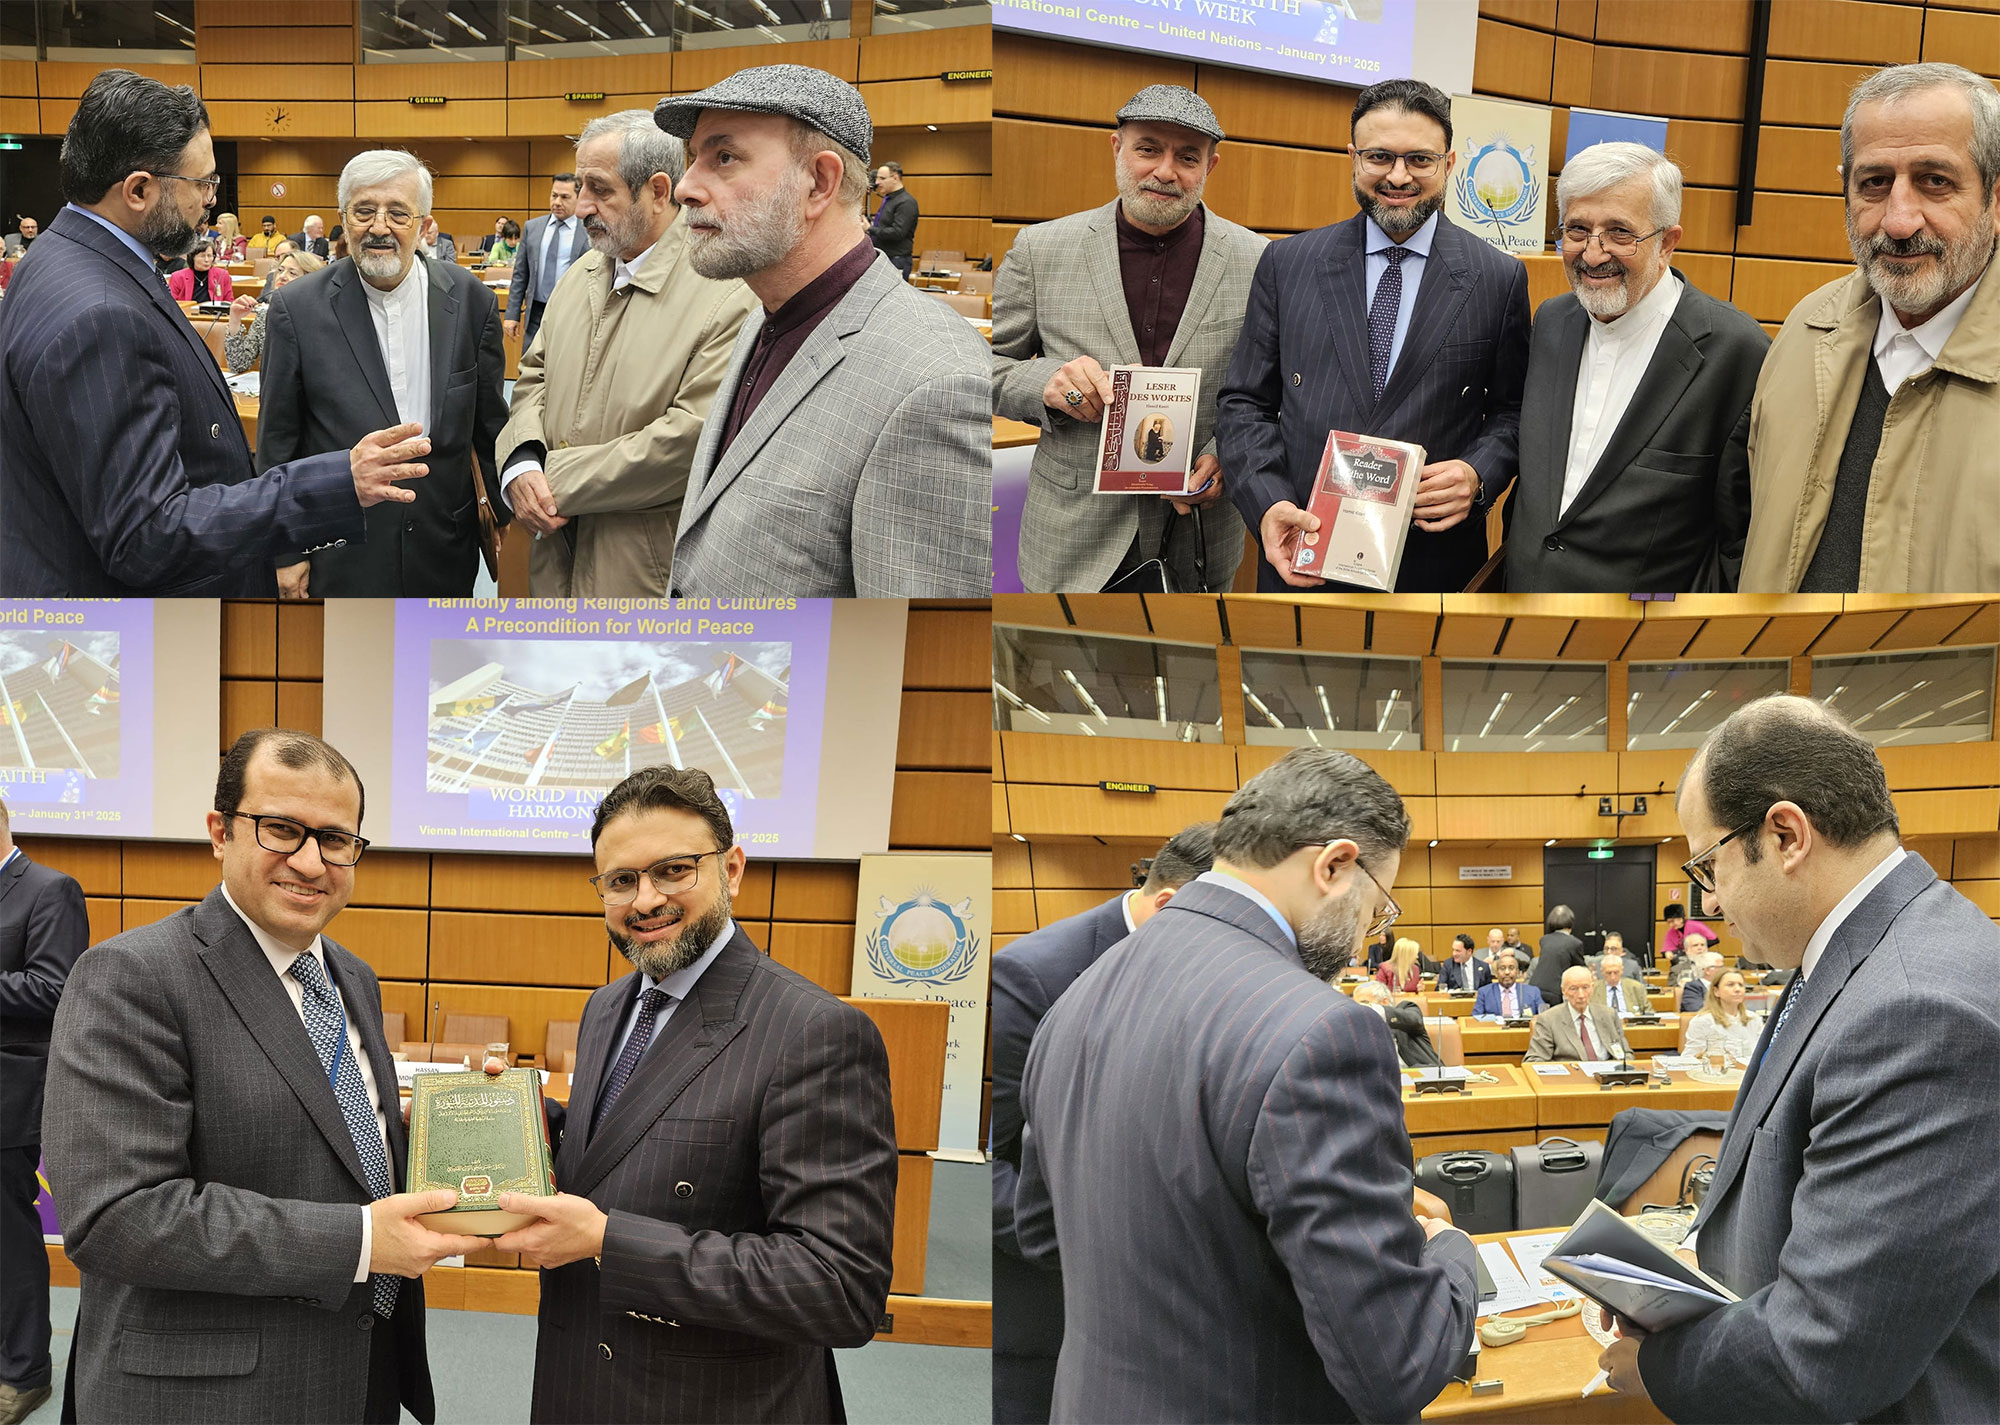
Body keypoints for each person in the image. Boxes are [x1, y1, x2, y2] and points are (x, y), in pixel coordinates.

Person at [1015, 747, 1477, 1422]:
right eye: (1376, 910)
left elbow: (1042, 1232)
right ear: (1335, 864)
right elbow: (1395, 1362)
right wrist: (1450, 1249)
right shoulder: (1322, 1032)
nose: (1363, 943)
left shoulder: (1077, 997)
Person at [42, 729, 484, 1422]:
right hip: (207, 1396)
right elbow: (119, 1216)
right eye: (281, 829)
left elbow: (332, 1137)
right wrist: (362, 1241)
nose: (311, 861)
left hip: (358, 1373)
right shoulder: (131, 976)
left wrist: (467, 1123)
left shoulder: (352, 976)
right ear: (220, 831)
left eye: (336, 839)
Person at [1600, 694, 2000, 1420]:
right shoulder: (1864, 953)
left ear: (1785, 834)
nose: (1710, 903)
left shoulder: (1917, 1009)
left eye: (1707, 866)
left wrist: (1658, 1360)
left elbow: (1828, 1348)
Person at [488, 765, 896, 1423]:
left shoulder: (813, 1031)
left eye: (675, 870)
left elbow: (839, 1287)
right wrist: (534, 1126)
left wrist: (608, 1241)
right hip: (578, 1388)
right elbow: (639, 1143)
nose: (645, 899)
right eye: (621, 880)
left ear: (731, 868)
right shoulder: (607, 1006)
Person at [0, 69, 434, 597]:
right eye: (202, 183)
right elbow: (148, 534)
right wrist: (336, 483)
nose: (211, 199)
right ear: (138, 190)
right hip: (128, 636)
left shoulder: (58, 255)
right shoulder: (101, 314)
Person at [656, 64, 990, 596]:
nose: (685, 187)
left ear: (819, 181)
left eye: (724, 157)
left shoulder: (933, 379)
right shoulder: (763, 315)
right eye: (692, 157)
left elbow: (910, 640)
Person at [1216, 77, 1529, 592]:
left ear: (1449, 165)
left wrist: (1477, 475)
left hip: (1431, 567)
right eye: (1380, 156)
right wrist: (1269, 502)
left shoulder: (1498, 278)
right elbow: (1243, 402)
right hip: (1301, 553)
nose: (1399, 177)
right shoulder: (1287, 264)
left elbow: (1513, 411)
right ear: (1353, 158)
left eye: (1420, 160)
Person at [1731, 63, 2000, 591]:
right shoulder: (1804, 333)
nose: (1899, 221)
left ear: (1995, 197)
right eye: (1875, 183)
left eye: (1935, 182)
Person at [992, 84, 1260, 593]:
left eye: (1187, 157)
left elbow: (1275, 390)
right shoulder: (1040, 249)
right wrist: (1047, 382)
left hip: (1200, 532)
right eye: (1148, 148)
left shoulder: (1259, 260)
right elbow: (985, 365)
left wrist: (1228, 455)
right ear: (1117, 149)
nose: (1165, 171)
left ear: (1211, 167)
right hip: (1073, 535)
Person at [992, 823, 1217, 1425]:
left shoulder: (1207, 969)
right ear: (1170, 907)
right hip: (1054, 1311)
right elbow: (989, 1166)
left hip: (1177, 1325)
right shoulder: (1034, 974)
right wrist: (1111, 1246)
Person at [496, 110, 758, 597]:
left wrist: (551, 480)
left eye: (600, 190)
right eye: (579, 188)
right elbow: (532, 376)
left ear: (658, 191)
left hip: (639, 570)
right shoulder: (583, 274)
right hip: (552, 557)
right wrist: (521, 462)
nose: (580, 207)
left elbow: (691, 437)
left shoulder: (727, 293)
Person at [1507, 143, 1769, 592]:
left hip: (1640, 642)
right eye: (1577, 230)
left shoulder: (1736, 351)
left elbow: (1742, 539)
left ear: (1668, 242)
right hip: (1519, 621)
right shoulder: (1551, 322)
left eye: (1619, 233)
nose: (1592, 254)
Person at [258, 149, 510, 598]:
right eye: (364, 211)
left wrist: (503, 515)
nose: (379, 227)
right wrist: (286, 550)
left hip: (444, 546)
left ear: (425, 223)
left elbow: (490, 426)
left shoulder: (473, 302)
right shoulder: (295, 308)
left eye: (398, 213)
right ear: (343, 219)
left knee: (440, 665)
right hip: (340, 548)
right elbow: (278, 441)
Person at [0, 803, 87, 1425]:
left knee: (6, 1238)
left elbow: (56, 989)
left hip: (8, 1095)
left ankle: (24, 1371)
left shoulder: (49, 889)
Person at [504, 173, 585, 349]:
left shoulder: (587, 231)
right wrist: (512, 314)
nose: (557, 202)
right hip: (536, 311)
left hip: (572, 312)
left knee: (565, 366)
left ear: (578, 198)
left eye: (565, 197)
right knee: (529, 367)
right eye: (554, 195)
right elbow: (520, 274)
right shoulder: (532, 228)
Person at [224, 248, 323, 373]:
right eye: (280, 270)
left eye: (292, 273)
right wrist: (235, 321)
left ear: (310, 281)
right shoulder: (265, 316)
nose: (282, 277)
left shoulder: (320, 319)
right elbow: (237, 364)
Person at [1524, 966, 1632, 1062]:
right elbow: (1534, 1060)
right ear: (1564, 991)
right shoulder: (1548, 1019)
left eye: (1585, 988)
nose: (1581, 995)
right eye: (1573, 989)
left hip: (1608, 1077)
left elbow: (1626, 1054)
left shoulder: (1608, 1014)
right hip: (1571, 1080)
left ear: (1592, 987)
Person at [1351, 981, 1443, 1068]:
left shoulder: (1407, 1008)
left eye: (1364, 1003)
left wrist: (1372, 1009)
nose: (1359, 1009)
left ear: (1384, 1002)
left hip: (1420, 1074)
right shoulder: (1358, 1028)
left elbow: (1414, 1020)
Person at [1682, 968, 1759, 1066]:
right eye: (1730, 985)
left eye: (1741, 985)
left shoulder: (1754, 1019)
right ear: (1716, 991)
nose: (1737, 989)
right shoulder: (1702, 1021)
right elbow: (1688, 1059)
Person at [1528, 902, 1587, 1001]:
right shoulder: (1575, 943)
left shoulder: (1544, 940)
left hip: (1534, 987)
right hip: (1555, 991)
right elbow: (1580, 969)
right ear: (1571, 923)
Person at [868, 159, 918, 276]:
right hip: (884, 257)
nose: (877, 182)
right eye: (877, 178)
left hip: (896, 260)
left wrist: (870, 229)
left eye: (882, 178)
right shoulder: (889, 199)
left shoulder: (906, 202)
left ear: (895, 178)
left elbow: (898, 232)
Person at [1472, 950, 1544, 1020]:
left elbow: (1543, 1016)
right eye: (1502, 968)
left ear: (1518, 973)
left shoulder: (1533, 991)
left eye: (1511, 968)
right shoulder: (1484, 992)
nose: (1507, 972)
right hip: (1496, 1030)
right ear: (1496, 973)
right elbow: (1476, 1017)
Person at [166, 240, 232, 302]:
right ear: (192, 258)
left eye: (209, 256)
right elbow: (172, 303)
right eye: (202, 256)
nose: (206, 260)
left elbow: (229, 301)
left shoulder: (222, 275)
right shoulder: (178, 277)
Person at [1592, 949, 1650, 1015]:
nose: (1612, 977)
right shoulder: (1593, 989)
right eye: (1608, 973)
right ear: (1602, 972)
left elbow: (1648, 1012)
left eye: (1616, 972)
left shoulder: (1636, 987)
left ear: (1622, 970)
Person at [1679, 948, 1727, 1014]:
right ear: (1707, 970)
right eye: (1720, 968)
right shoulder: (1692, 987)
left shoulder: (1727, 985)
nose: (1724, 971)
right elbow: (1695, 1009)